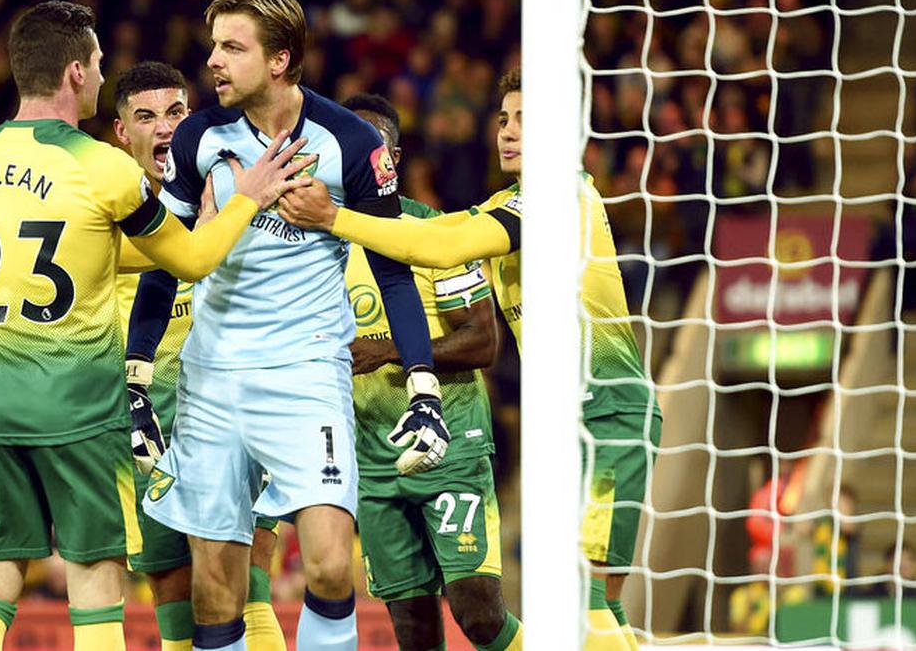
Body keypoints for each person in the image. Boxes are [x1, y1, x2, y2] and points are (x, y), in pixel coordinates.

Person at [0, 0, 314, 651]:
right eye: (95, 62)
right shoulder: (102, 167)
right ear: (75, 73)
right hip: (86, 413)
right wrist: (248, 200)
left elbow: (94, 249)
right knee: (97, 596)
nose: (98, 71)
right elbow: (189, 259)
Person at [278, 69, 663, 651]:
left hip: (607, 411)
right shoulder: (504, 205)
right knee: (597, 599)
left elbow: (442, 246)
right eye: (504, 119)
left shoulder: (563, 196)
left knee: (579, 596)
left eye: (526, 120)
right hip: (564, 422)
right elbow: (434, 230)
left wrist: (333, 217)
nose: (508, 131)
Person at [128, 0, 447, 651]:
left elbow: (392, 268)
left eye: (231, 47)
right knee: (216, 585)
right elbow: (164, 263)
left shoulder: (349, 141)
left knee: (329, 563)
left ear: (278, 60)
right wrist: (137, 374)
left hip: (306, 371)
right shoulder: (198, 137)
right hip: (213, 377)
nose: (212, 61)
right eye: (214, 45)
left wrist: (423, 381)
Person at [112, 61, 286, 651]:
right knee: (172, 590)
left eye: (175, 112)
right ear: (122, 133)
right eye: (146, 117)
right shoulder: (105, 209)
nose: (164, 128)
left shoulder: (238, 186)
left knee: (247, 577)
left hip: (233, 403)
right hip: (147, 420)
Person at [340, 93, 523, 651]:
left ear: (392, 158)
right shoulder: (319, 244)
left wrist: (387, 351)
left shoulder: (434, 233)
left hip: (449, 447)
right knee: (413, 631)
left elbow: (483, 340)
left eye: (370, 145)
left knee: (479, 615)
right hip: (371, 460)